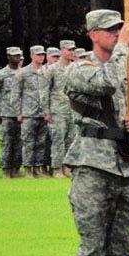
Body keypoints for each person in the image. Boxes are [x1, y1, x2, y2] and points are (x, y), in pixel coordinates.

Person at [65, 9, 129, 256]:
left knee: (124, 245)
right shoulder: (79, 69)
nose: (116, 34)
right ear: (93, 34)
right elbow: (104, 83)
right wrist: (124, 46)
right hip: (93, 166)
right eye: (110, 30)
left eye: (118, 29)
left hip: (127, 167)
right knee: (94, 243)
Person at [18, 45, 53, 177]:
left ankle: (38, 168)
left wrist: (48, 111)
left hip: (43, 113)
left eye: (43, 54)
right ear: (32, 55)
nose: (41, 57)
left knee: (41, 142)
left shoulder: (47, 71)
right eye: (38, 55)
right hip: (28, 112)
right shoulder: (23, 72)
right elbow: (16, 93)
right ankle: (28, 169)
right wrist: (18, 112)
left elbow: (50, 91)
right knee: (28, 142)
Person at [0, 47, 25, 178]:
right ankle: (6, 169)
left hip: (22, 114)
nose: (17, 58)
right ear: (8, 57)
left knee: (20, 143)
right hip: (6, 114)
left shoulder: (24, 73)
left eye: (18, 55)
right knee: (6, 142)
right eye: (14, 55)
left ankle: (16, 168)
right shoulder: (1, 74)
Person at [49, 40, 78, 176]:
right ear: (61, 50)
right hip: (57, 110)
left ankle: (67, 167)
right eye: (69, 50)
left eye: (73, 50)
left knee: (71, 140)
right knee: (58, 139)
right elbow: (45, 91)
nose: (71, 52)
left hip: (73, 110)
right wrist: (46, 111)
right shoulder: (52, 69)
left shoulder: (75, 68)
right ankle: (56, 168)